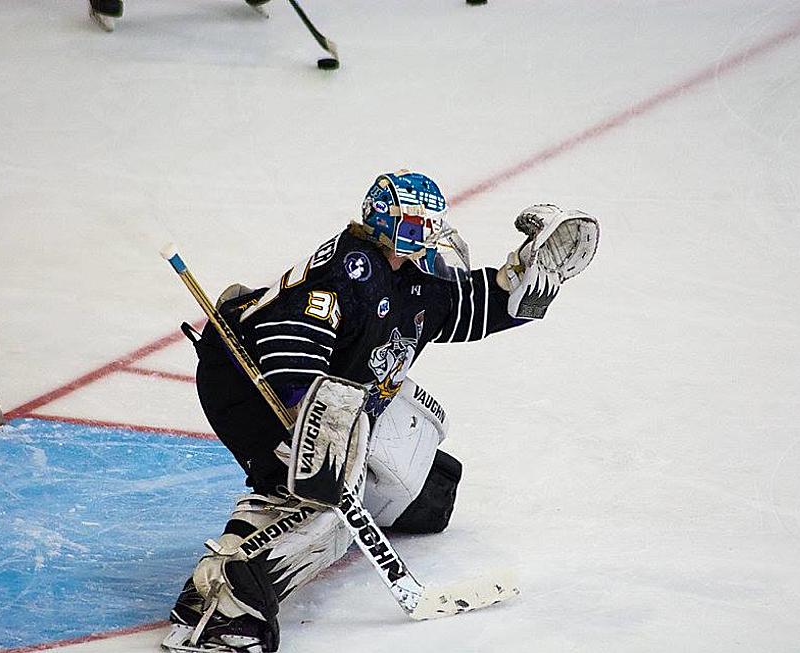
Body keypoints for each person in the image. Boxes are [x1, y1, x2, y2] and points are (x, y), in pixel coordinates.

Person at [163, 170, 599, 653]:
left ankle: (243, 554)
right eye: (418, 231)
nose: (431, 248)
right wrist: (311, 425)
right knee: (324, 505)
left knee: (427, 494)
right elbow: (289, 343)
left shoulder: (415, 283)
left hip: (326, 396)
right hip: (253, 386)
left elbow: (473, 304)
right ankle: (230, 605)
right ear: (388, 227)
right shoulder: (352, 272)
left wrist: (519, 285)